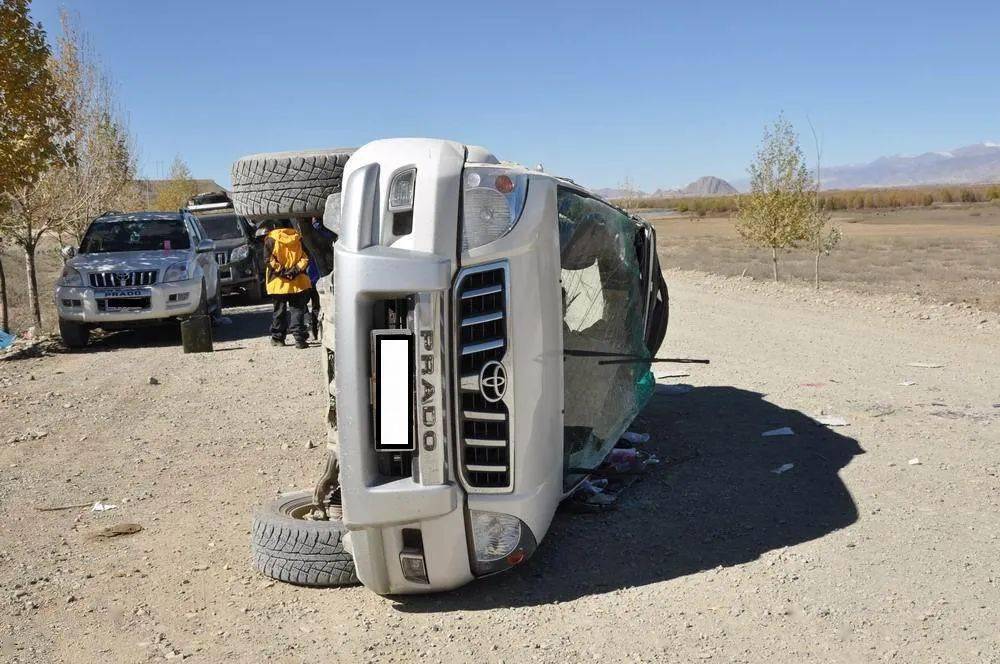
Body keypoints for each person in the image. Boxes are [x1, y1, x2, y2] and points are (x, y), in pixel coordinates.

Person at [263, 221, 312, 349]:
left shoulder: (270, 239)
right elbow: (305, 258)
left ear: (275, 226)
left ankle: (278, 338)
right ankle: (299, 339)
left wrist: (283, 273)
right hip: (298, 282)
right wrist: (294, 271)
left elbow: (269, 260)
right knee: (297, 310)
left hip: (278, 283)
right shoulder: (298, 238)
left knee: (279, 311)